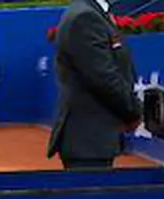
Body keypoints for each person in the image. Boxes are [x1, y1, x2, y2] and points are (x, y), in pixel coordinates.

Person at [47, 0, 141, 169]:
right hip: (88, 139)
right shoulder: (84, 17)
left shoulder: (92, 12)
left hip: (92, 138)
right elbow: (103, 78)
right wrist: (133, 112)